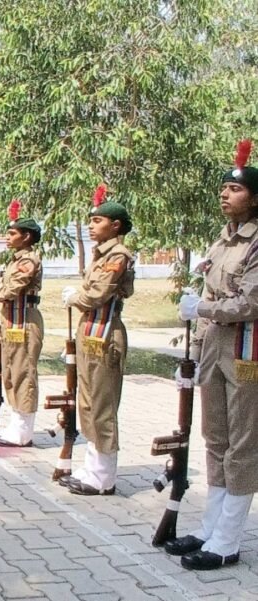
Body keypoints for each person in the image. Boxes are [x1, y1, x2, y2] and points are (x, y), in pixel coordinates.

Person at [168, 140, 258, 571]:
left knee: (243, 443)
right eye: (223, 188)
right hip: (216, 346)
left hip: (247, 349)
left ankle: (228, 540)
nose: (225, 194)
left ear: (254, 199)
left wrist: (201, 308)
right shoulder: (222, 241)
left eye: (234, 189)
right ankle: (210, 526)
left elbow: (251, 303)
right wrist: (197, 349)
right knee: (215, 438)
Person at [59, 184, 135, 496]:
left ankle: (104, 476)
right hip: (91, 330)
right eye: (90, 221)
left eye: (97, 221)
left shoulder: (118, 255)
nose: (91, 226)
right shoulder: (101, 254)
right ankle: (92, 467)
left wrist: (76, 296)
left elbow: (98, 293)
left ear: (115, 225)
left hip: (105, 333)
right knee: (88, 401)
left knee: (101, 404)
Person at [0, 201, 44, 447]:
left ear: (27, 236)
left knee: (24, 373)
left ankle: (24, 429)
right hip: (12, 320)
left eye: (12, 233)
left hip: (25, 321)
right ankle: (16, 422)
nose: (7, 238)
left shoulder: (28, 260)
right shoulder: (15, 260)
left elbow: (12, 290)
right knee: (11, 370)